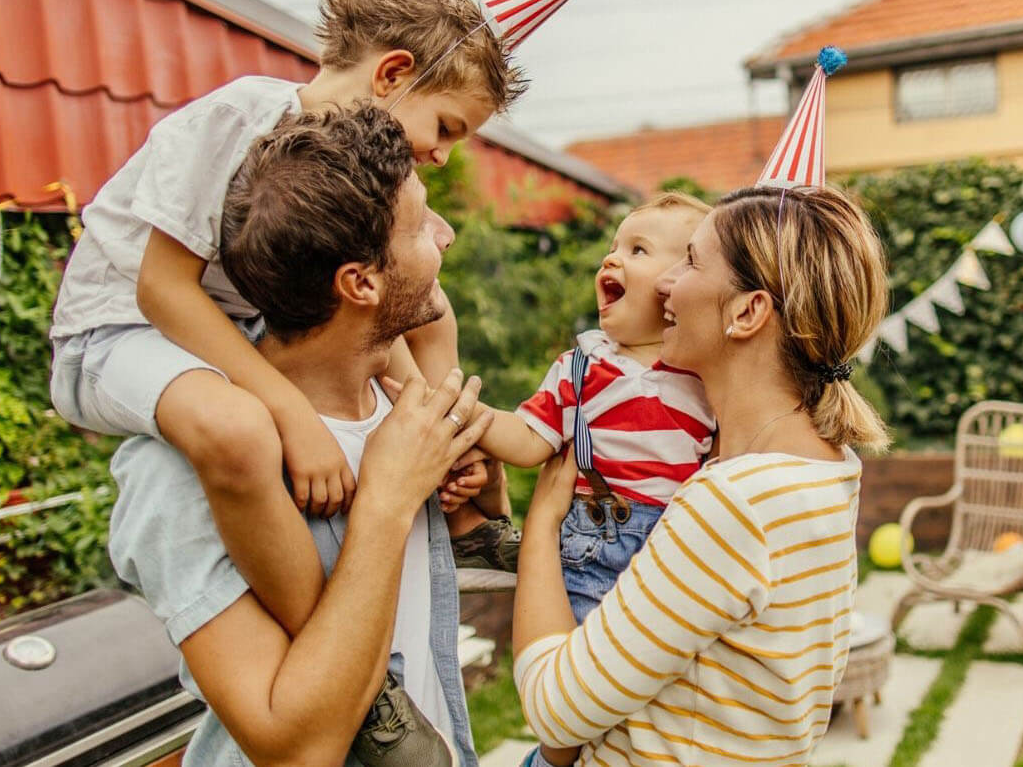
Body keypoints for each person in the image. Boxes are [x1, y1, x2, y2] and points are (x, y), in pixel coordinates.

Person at [51, 0, 524, 755]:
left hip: (216, 338)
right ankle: (359, 681)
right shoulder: (244, 118)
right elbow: (162, 290)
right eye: (445, 128)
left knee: (412, 337)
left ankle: (398, 621)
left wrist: (438, 429)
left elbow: (384, 327)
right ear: (392, 74)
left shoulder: (340, 187)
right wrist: (286, 417)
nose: (443, 156)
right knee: (237, 432)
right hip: (114, 333)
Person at [109, 104, 492, 766]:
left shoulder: (403, 411)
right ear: (361, 282)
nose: (446, 234)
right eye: (422, 223)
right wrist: (387, 500)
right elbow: (297, 749)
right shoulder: (187, 468)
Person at [511, 185, 891, 766]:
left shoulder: (735, 504)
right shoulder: (827, 466)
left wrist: (542, 523)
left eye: (689, 260)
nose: (665, 284)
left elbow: (554, 709)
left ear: (746, 312)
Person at [469, 192, 716, 767]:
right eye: (611, 250)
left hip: (671, 554)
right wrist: (465, 416)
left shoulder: (702, 372)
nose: (610, 261)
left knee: (649, 695)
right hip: (591, 545)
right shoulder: (581, 367)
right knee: (570, 700)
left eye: (637, 249)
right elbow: (530, 441)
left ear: (681, 281)